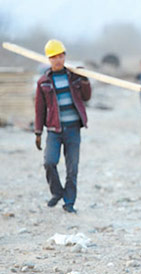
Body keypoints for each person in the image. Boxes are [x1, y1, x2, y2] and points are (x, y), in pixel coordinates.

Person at [34, 39, 91, 213]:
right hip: (54, 130)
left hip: (73, 129)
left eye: (60, 56)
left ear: (65, 56)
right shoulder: (43, 81)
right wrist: (38, 132)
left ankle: (69, 202)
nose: (57, 60)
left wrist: (85, 80)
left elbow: (86, 97)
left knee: (72, 168)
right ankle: (57, 192)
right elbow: (39, 109)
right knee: (49, 162)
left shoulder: (74, 77)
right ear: (48, 60)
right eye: (53, 57)